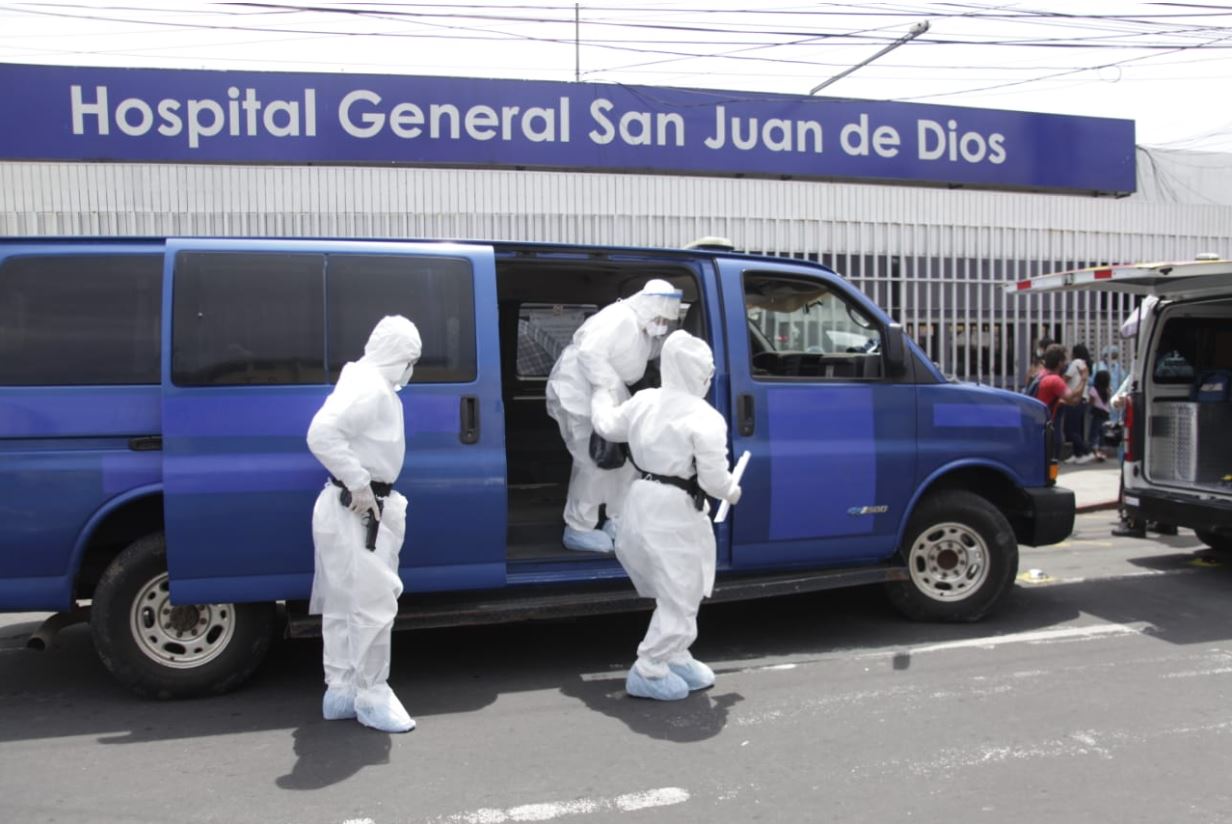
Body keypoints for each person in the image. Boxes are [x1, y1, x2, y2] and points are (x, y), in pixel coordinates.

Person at [590, 331, 742, 701]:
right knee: (682, 591)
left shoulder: (644, 401)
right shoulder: (705, 418)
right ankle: (651, 666)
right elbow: (713, 479)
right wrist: (731, 491)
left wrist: (599, 393)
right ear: (698, 373)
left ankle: (676, 654)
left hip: (640, 500)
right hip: (675, 511)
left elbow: (607, 425)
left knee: (673, 587)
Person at [306, 315, 422, 733]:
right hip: (359, 508)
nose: (412, 370)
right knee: (373, 605)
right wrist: (358, 484)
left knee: (341, 603)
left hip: (345, 506)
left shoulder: (361, 382)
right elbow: (321, 434)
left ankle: (340, 691)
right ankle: (372, 696)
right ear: (398, 355)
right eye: (411, 360)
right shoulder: (370, 388)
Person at [545, 279, 683, 553]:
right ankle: (578, 528)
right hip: (581, 393)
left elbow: (648, 352)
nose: (662, 323)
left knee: (626, 462)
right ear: (649, 305)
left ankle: (616, 518)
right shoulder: (620, 318)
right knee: (594, 461)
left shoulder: (642, 329)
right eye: (660, 317)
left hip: (609, 393)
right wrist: (607, 395)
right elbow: (589, 354)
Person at [1034, 344, 1085, 462]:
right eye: (1064, 360)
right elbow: (1073, 399)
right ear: (1060, 363)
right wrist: (1083, 379)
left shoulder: (1041, 374)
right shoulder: (1055, 380)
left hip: (1036, 423)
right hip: (1045, 427)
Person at [1061, 343, 1094, 464]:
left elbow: (1066, 378)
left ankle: (1087, 452)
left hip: (1075, 399)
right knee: (1076, 428)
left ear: (1075, 353)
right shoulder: (1085, 364)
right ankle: (1077, 454)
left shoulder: (1076, 363)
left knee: (1069, 429)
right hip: (1083, 399)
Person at [1089, 369, 1112, 460]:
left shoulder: (1093, 389)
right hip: (1106, 413)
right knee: (1103, 432)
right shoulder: (1108, 389)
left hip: (1096, 413)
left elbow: (1091, 402)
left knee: (1094, 432)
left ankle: (1095, 451)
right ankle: (1103, 452)